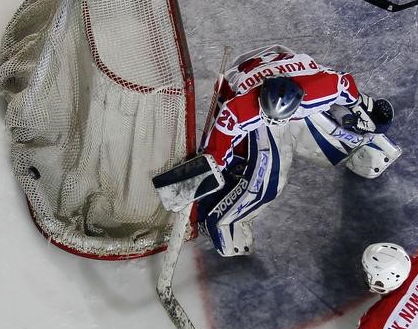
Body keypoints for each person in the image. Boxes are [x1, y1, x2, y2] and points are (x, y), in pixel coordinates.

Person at [153, 45, 400, 257]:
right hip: (246, 77)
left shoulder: (320, 88)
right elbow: (217, 155)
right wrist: (210, 175)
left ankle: (363, 148)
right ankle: (224, 220)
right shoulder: (239, 110)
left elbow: (345, 85)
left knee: (323, 128)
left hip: (287, 65)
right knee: (270, 171)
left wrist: (360, 109)